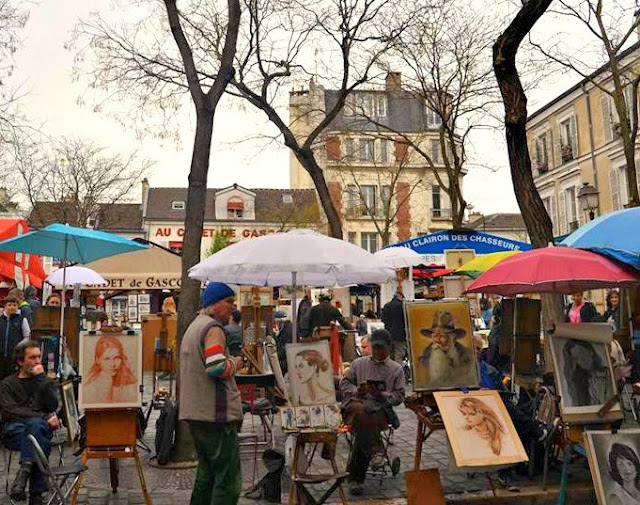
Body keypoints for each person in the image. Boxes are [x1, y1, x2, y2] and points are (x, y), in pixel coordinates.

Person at [180, 282, 244, 505]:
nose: (232, 307)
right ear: (214, 304)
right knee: (228, 480)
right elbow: (216, 367)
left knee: (206, 474)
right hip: (214, 415)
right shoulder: (213, 329)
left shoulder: (195, 325)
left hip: (196, 413)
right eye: (228, 302)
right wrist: (236, 363)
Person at [340, 329, 404, 495]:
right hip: (357, 406)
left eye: (381, 348)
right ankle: (377, 450)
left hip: (379, 411)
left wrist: (380, 394)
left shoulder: (396, 369)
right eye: (374, 348)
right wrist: (357, 391)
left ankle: (355, 479)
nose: (377, 352)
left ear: (389, 347)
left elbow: (399, 396)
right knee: (360, 410)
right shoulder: (359, 364)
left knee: (363, 420)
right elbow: (345, 384)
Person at [0, 340, 61, 504]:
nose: (37, 361)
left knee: (35, 429)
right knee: (38, 435)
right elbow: (11, 411)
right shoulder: (7, 384)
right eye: (32, 357)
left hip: (38, 430)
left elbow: (53, 405)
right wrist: (43, 417)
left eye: (39, 357)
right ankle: (36, 495)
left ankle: (24, 472)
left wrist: (41, 380)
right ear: (20, 361)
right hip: (15, 431)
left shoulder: (44, 381)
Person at [419, 311, 473, 387]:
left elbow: (467, 378)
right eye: (435, 336)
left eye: (442, 336)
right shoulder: (427, 352)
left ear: (452, 338)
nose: (437, 340)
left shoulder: (464, 353)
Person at [83, 336, 138, 404]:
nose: (113, 364)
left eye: (116, 358)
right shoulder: (90, 389)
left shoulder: (123, 386)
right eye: (107, 359)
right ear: (97, 360)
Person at [563, 339, 611, 406]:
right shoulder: (578, 381)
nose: (581, 360)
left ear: (590, 351)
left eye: (582, 353)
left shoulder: (606, 374)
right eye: (577, 358)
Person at [0, 294, 31, 380]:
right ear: (5, 306)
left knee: (12, 378)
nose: (12, 307)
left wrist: (19, 346)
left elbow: (27, 336)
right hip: (1, 356)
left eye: (14, 305)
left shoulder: (22, 320)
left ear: (18, 306)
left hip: (15, 356)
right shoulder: (1, 319)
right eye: (9, 305)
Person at [381, 291, 407, 364]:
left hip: (388, 334)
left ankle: (389, 371)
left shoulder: (386, 306)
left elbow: (383, 319)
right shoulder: (402, 306)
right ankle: (398, 372)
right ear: (400, 297)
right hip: (399, 335)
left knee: (390, 354)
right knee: (399, 354)